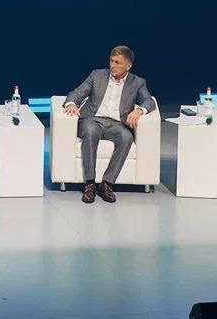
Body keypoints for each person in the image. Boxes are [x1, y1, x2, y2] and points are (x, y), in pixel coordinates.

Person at [61, 46, 156, 204]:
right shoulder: (97, 75)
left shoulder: (137, 82)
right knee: (90, 132)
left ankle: (107, 184)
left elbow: (149, 101)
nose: (113, 65)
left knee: (126, 137)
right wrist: (71, 104)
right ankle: (90, 184)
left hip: (117, 124)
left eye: (118, 62)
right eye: (111, 61)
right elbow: (78, 92)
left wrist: (139, 110)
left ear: (128, 65)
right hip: (93, 119)